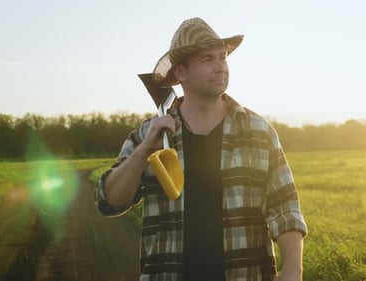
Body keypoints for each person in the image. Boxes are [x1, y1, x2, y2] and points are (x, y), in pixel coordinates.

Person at [95, 17, 307, 281]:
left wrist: (292, 271)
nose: (220, 67)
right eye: (208, 60)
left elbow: (285, 207)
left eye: (223, 58)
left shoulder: (257, 131)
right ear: (181, 72)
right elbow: (110, 202)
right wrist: (144, 150)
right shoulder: (150, 136)